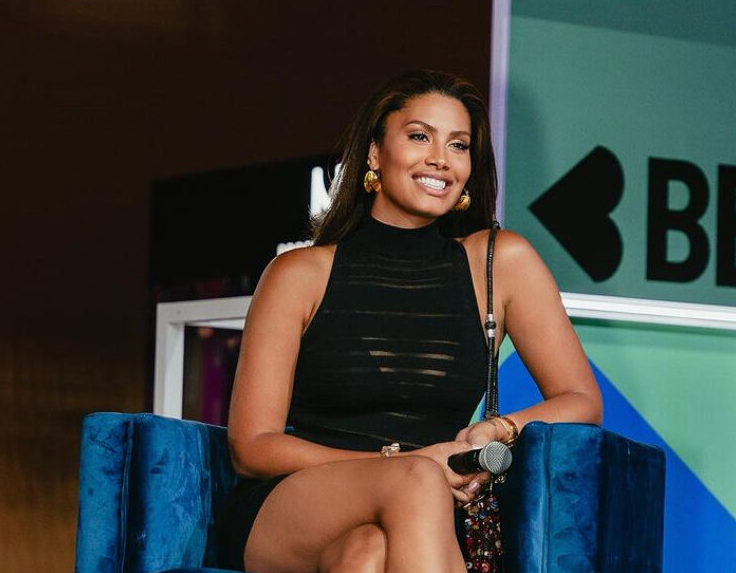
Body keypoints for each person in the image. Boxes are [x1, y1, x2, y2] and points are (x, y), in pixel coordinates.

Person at [218, 69, 602, 573]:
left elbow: (581, 400)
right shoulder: (298, 274)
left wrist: (497, 429)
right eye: (419, 136)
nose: (441, 158)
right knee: (416, 479)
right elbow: (252, 447)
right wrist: (398, 465)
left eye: (459, 145)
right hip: (295, 506)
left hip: (426, 506)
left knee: (364, 558)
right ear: (375, 153)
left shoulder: (500, 263)